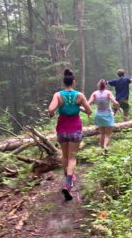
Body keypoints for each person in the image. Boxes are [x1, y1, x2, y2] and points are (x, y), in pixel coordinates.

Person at [48, 69, 92, 201]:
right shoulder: (79, 95)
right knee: (72, 157)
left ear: (64, 81)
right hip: (75, 129)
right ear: (73, 81)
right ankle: (68, 184)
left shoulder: (58, 95)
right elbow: (89, 111)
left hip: (62, 129)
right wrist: (80, 108)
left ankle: (67, 176)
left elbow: (51, 109)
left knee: (65, 156)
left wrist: (51, 114)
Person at [87, 79, 120, 151]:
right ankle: (105, 146)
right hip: (108, 114)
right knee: (108, 134)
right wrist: (119, 108)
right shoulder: (108, 93)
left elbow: (88, 103)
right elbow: (115, 102)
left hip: (99, 115)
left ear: (98, 85)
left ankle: (101, 149)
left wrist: (86, 111)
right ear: (105, 85)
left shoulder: (94, 93)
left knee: (102, 133)